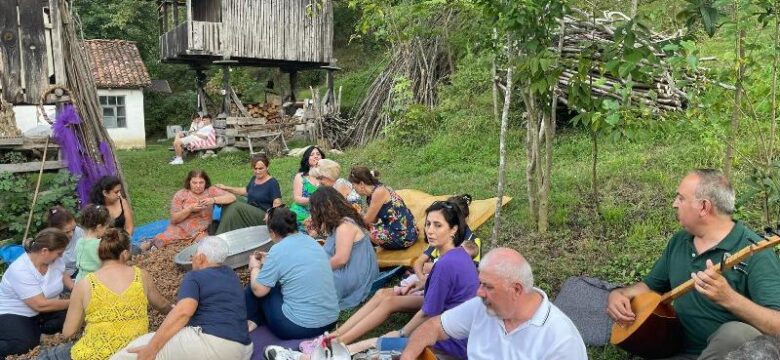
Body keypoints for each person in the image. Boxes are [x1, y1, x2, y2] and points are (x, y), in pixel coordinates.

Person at [606, 169, 780, 359]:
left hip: (726, 355)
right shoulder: (679, 241)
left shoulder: (756, 253)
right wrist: (619, 294)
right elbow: (650, 287)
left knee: (735, 334)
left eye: (681, 198)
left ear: (704, 207)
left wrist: (730, 298)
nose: (674, 204)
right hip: (673, 350)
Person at [275, 200, 479, 360]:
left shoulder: (446, 263)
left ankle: (314, 355)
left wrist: (400, 333)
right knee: (384, 295)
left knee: (371, 344)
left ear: (453, 230)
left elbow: (427, 313)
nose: (430, 230)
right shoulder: (457, 255)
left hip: (449, 342)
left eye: (438, 225)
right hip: (452, 324)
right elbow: (446, 289)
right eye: (427, 224)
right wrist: (421, 283)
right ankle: (331, 340)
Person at [400, 248, 588, 360]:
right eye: (480, 283)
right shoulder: (483, 306)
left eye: (488, 286)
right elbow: (434, 326)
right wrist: (408, 356)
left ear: (516, 289)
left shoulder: (562, 341)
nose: (479, 292)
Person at [37, 228, 172, 359]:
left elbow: (68, 332)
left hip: (95, 354)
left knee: (46, 356)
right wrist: (177, 310)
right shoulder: (141, 276)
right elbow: (162, 305)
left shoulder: (85, 284)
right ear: (125, 253)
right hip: (134, 352)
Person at [113, 236, 253, 360]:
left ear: (201, 258)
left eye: (194, 254)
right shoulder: (230, 274)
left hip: (215, 346)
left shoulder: (195, 276)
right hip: (244, 348)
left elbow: (183, 313)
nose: (192, 258)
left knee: (139, 349)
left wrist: (151, 349)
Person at [244, 206, 340, 340]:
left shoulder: (277, 250)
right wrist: (269, 259)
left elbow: (259, 290)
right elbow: (296, 263)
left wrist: (254, 267)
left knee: (255, 284)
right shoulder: (311, 242)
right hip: (330, 320)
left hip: (298, 327)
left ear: (272, 232)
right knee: (272, 280)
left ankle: (251, 321)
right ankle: (256, 320)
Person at [0, 228, 73, 358]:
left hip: (42, 312)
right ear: (45, 251)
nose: (61, 256)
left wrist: (80, 291)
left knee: (71, 317)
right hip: (15, 312)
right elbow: (40, 305)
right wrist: (75, 301)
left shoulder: (55, 261)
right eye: (59, 253)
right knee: (24, 345)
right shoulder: (20, 269)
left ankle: (33, 330)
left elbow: (67, 279)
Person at [309, 186, 379, 310]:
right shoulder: (341, 222)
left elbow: (341, 259)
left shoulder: (345, 225)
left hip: (354, 275)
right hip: (353, 269)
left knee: (309, 284)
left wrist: (317, 269)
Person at [148, 170, 236, 249]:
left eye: (201, 182)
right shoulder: (181, 194)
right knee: (159, 242)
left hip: (200, 231)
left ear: (206, 182)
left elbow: (232, 197)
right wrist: (190, 209)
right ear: (189, 182)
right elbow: (174, 219)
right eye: (194, 183)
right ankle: (146, 246)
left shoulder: (210, 191)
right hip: (179, 229)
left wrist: (213, 200)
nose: (198, 186)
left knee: (208, 247)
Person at [348, 167, 418, 250]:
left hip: (404, 236)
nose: (353, 189)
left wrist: (354, 214)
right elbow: (374, 220)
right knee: (362, 227)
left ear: (361, 184)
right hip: (405, 229)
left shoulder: (378, 192)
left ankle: (362, 252)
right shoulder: (374, 192)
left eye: (353, 185)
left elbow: (366, 220)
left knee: (359, 229)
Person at [214, 154, 283, 234]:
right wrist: (226, 188)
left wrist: (270, 214)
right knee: (230, 199)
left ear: (267, 167)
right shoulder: (255, 178)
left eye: (261, 168)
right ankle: (225, 228)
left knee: (236, 206)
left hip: (264, 216)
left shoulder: (272, 182)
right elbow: (246, 191)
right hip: (251, 209)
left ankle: (218, 236)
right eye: (255, 168)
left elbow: (277, 202)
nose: (257, 171)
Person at [290, 146, 325, 231]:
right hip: (301, 211)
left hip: (321, 211)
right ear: (307, 159)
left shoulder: (326, 176)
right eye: (312, 154)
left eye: (318, 154)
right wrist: (314, 199)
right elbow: (297, 198)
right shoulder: (300, 176)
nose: (316, 156)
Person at [74, 204, 112, 282]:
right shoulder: (100, 244)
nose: (106, 230)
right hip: (95, 282)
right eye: (106, 227)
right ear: (99, 227)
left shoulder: (79, 242)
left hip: (80, 281)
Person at [46, 206, 86, 277]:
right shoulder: (49, 244)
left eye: (73, 229)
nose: (72, 234)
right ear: (55, 230)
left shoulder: (79, 231)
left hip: (81, 270)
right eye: (67, 232)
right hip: (62, 276)